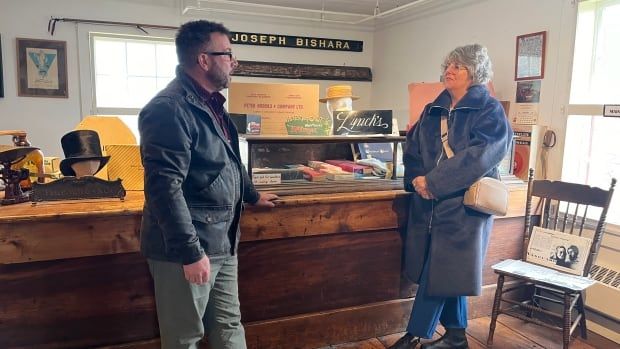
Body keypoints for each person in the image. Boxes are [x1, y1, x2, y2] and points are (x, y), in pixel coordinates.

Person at [139, 20, 278, 349]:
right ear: (203, 59)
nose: (233, 62)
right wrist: (190, 253)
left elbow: (230, 160)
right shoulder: (168, 109)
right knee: (185, 338)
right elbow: (163, 188)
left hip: (223, 241)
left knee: (229, 325)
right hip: (186, 249)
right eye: (227, 54)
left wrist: (253, 195)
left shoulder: (212, 103)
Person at [390, 44, 512, 349]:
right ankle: (457, 337)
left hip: (465, 206)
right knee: (448, 268)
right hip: (430, 204)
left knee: (438, 269)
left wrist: (434, 182)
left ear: (475, 72)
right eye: (448, 65)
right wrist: (417, 181)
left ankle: (414, 335)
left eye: (458, 66)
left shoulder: (490, 110)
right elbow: (413, 145)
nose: (449, 70)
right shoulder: (435, 108)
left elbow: (481, 156)